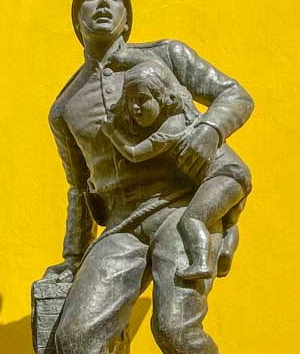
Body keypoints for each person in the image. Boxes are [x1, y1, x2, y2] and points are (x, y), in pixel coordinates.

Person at [15, 0, 255, 354]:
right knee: (74, 336)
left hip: (177, 209)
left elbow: (235, 95)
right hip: (120, 227)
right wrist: (72, 259)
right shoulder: (64, 106)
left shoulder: (166, 56)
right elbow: (78, 189)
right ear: (76, 22)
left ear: (127, 13)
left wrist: (209, 129)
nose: (101, 3)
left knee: (175, 328)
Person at [101, 58, 251, 280]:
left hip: (224, 175)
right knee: (224, 217)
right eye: (130, 102)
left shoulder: (170, 129)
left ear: (164, 98)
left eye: (142, 100)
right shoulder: (178, 118)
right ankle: (227, 247)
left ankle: (202, 262)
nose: (135, 108)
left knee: (192, 219)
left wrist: (112, 132)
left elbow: (134, 153)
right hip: (233, 175)